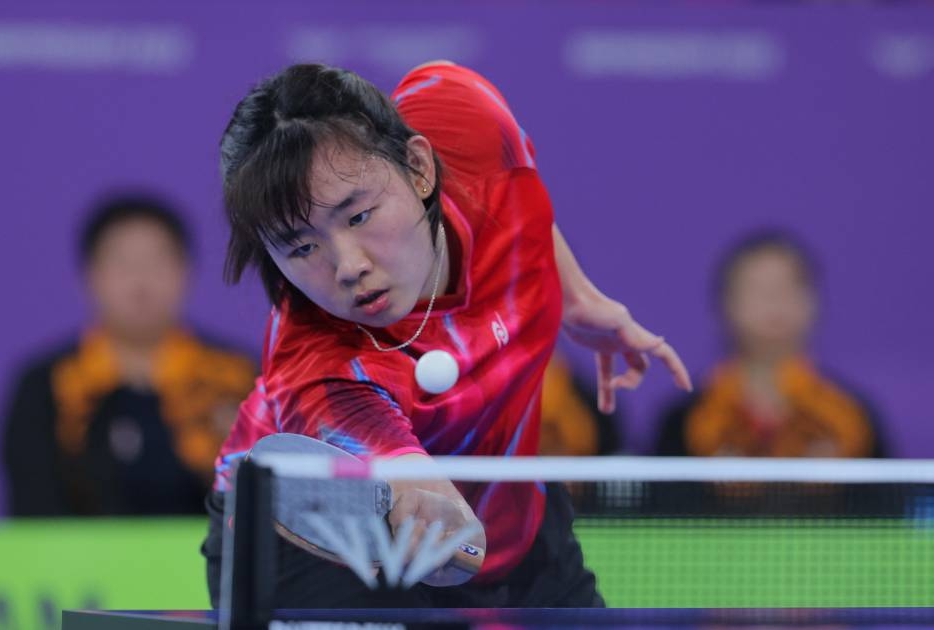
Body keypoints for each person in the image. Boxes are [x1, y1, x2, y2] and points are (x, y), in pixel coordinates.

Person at [203, 61, 691, 608]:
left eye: (358, 216)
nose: (346, 265)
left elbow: (514, 189)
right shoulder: (318, 368)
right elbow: (418, 493)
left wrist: (577, 298)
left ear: (418, 167)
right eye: (300, 247)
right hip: (318, 538)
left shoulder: (463, 117)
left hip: (510, 514)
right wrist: (423, 496)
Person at [0, 195, 257, 516]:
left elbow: (260, 508)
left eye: (156, 262)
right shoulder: (47, 384)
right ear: (90, 275)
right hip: (75, 565)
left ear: (186, 272)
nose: (140, 282)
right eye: (122, 263)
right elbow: (31, 508)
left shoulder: (237, 378)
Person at [655, 230, 884, 458]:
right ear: (724, 305)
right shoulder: (686, 419)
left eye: (789, 286)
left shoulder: (851, 415)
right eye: (757, 288)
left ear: (814, 303)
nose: (774, 300)